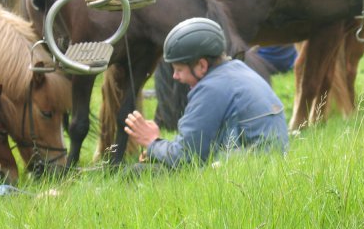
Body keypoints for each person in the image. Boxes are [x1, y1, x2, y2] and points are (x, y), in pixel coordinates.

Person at [124, 17, 289, 168]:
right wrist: (159, 150)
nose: (175, 76)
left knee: (136, 172)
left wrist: (152, 142)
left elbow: (186, 157)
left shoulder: (211, 89)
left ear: (202, 66)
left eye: (179, 69)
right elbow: (201, 144)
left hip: (247, 172)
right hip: (261, 164)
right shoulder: (237, 69)